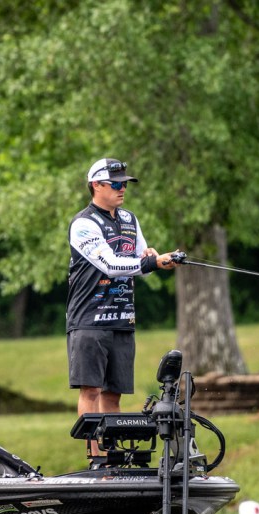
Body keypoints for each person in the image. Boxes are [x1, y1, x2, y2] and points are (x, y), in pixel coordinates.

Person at [66, 157, 183, 451]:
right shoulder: (83, 224)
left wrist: (154, 258)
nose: (123, 189)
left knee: (113, 394)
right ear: (96, 185)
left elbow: (142, 260)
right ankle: (95, 458)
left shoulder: (130, 219)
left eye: (125, 184)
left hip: (123, 319)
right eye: (116, 184)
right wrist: (151, 262)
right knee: (91, 390)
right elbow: (111, 264)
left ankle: (112, 458)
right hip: (89, 320)